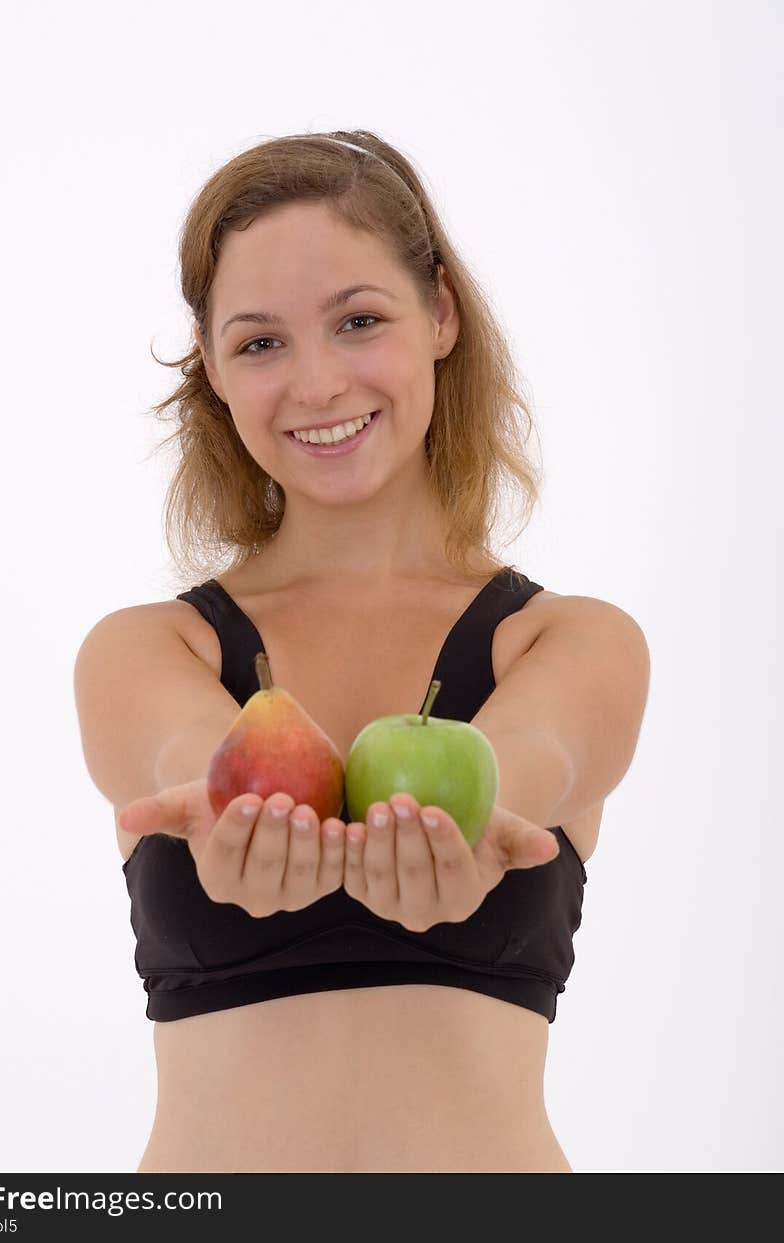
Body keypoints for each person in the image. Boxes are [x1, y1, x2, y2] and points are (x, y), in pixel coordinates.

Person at [73, 129, 650, 1173]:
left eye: (359, 321)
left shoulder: (572, 642)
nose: (318, 381)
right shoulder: (145, 650)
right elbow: (188, 762)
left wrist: (464, 831)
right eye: (260, 342)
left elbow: (527, 761)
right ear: (211, 368)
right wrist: (228, 809)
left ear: (439, 315)